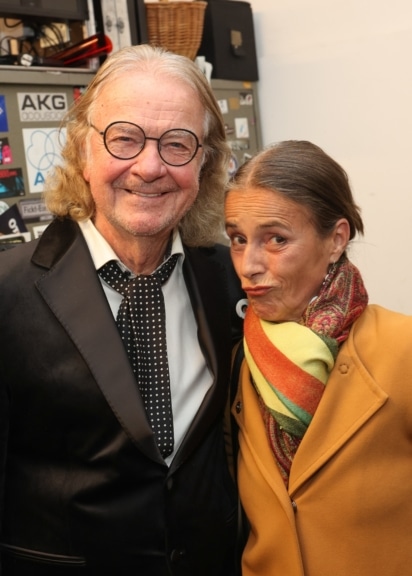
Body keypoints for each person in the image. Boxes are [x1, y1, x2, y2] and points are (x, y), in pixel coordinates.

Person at [0, 44, 245, 575]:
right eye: (125, 138)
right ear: (83, 150)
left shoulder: (232, 281)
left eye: (178, 143)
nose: (150, 166)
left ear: (205, 160)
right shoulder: (7, 295)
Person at [224, 139, 412, 576]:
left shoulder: (402, 349)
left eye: (276, 239)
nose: (248, 264)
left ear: (336, 239)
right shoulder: (236, 358)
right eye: (237, 238)